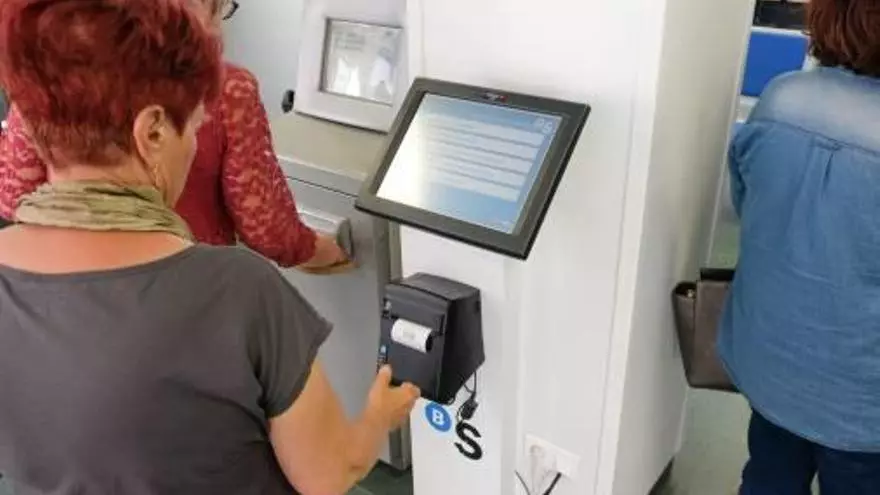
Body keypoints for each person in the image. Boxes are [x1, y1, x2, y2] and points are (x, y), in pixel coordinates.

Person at [0, 1, 419, 494]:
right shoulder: (240, 292)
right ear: (153, 132)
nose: (197, 144)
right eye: (195, 126)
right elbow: (328, 475)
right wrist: (378, 416)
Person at [0, 0, 349, 272]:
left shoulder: (48, 77)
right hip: (189, 284)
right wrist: (328, 251)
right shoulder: (227, 90)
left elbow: (14, 197)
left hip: (62, 285)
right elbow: (267, 228)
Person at [718, 0, 880, 493]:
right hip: (862, 403)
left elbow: (747, 206)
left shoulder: (780, 98)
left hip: (772, 365)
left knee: (767, 476)